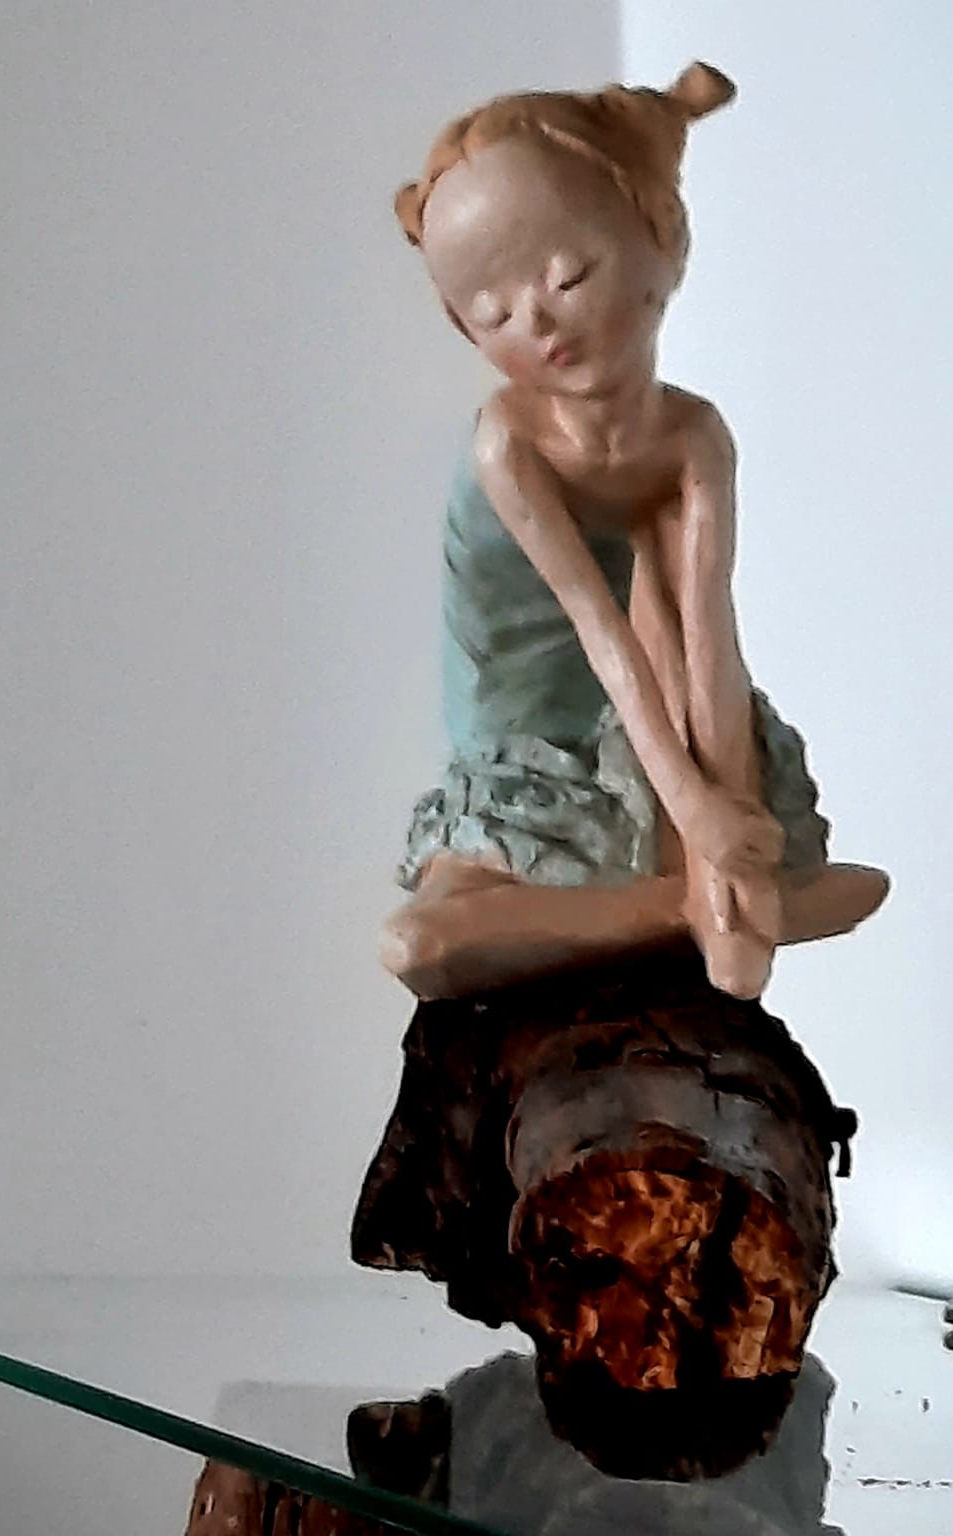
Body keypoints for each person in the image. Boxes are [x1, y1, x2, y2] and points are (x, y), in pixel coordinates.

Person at [378, 62, 889, 1002]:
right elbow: (595, 629)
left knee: (659, 576)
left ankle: (701, 900)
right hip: (531, 720)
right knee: (418, 946)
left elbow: (706, 638)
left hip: (659, 691)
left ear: (663, 243)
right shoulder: (509, 444)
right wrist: (694, 815)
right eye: (491, 315)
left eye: (568, 276)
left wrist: (725, 819)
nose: (537, 321)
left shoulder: (693, 438)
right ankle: (678, 911)